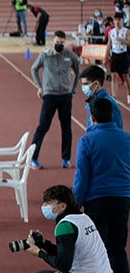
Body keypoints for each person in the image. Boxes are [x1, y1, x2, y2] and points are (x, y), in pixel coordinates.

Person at [74, 97, 130, 273]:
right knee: (118, 250)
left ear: (92, 117)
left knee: (98, 252)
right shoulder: (126, 139)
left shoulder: (87, 141)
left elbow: (82, 176)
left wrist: (75, 203)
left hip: (97, 201)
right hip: (122, 199)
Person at [29, 30, 80, 169]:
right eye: (57, 42)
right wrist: (39, 87)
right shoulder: (45, 55)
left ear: (65, 43)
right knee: (43, 126)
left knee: (66, 128)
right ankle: (32, 158)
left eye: (62, 43)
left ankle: (66, 159)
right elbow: (33, 68)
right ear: (53, 42)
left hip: (65, 96)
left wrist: (73, 88)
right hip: (49, 95)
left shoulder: (70, 56)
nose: (59, 45)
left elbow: (77, 70)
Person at [79, 65, 123, 130]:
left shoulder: (109, 104)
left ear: (96, 84)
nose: (83, 87)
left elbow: (117, 130)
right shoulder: (92, 100)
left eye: (86, 84)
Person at [106, 13, 128, 103]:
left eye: (119, 20)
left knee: (126, 76)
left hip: (123, 54)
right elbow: (109, 44)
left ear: (122, 21)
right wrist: (106, 55)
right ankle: (114, 96)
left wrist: (122, 40)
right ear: (114, 21)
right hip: (115, 54)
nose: (117, 22)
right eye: (116, 20)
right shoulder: (111, 32)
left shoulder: (126, 31)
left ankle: (129, 92)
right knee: (113, 75)